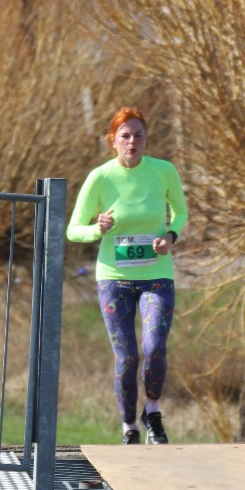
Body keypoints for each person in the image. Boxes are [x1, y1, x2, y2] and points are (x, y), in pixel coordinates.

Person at [66, 107, 188, 445]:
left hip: (156, 274)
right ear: (113, 141)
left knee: (155, 347)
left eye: (138, 135)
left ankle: (153, 413)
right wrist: (97, 229)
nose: (132, 142)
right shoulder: (100, 177)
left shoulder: (163, 171)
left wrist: (170, 236)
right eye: (125, 136)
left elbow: (180, 212)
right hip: (114, 278)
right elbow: (74, 229)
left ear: (146, 140)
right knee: (127, 356)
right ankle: (128, 426)